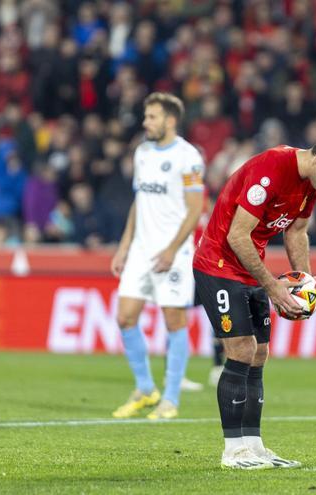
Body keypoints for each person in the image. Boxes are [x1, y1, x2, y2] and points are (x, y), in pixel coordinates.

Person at [193, 131, 316, 469]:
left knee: (259, 353)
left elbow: (297, 231)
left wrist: (306, 284)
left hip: (250, 267)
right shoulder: (272, 169)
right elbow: (237, 234)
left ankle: (254, 446)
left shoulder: (310, 185)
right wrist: (274, 288)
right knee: (241, 349)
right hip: (219, 264)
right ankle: (233, 451)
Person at [110, 93, 205, 420]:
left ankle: (171, 399)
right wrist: (124, 246)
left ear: (170, 120)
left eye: (152, 117)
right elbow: (139, 202)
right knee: (125, 317)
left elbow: (196, 210)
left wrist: (171, 249)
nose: (145, 122)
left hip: (173, 253)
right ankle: (145, 388)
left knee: (174, 322)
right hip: (140, 250)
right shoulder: (143, 153)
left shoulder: (188, 157)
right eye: (146, 116)